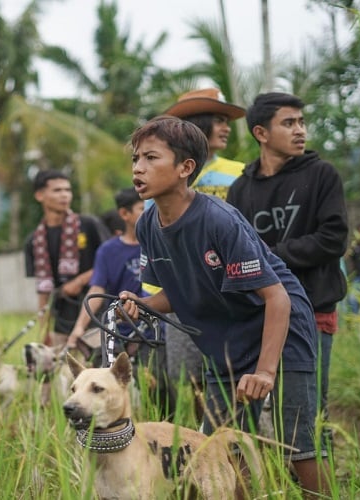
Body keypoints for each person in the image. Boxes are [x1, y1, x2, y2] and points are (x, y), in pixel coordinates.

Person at [121, 115, 330, 496]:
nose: (138, 168)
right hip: (227, 339)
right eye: (136, 159)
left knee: (295, 441)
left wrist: (265, 372)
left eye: (151, 158)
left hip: (279, 328)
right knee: (220, 446)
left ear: (186, 168)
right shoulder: (149, 225)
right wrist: (142, 303)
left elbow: (276, 297)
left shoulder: (218, 221)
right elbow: (179, 292)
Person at [226, 92, 348, 454]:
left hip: (312, 309)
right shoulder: (241, 189)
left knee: (307, 411)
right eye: (289, 123)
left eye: (301, 122)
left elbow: (333, 239)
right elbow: (232, 249)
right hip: (257, 315)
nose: (300, 131)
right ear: (261, 133)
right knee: (247, 409)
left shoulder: (322, 175)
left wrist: (267, 258)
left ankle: (319, 484)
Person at [156, 87, 248, 405]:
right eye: (218, 120)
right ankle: (203, 444)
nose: (226, 128)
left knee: (234, 375)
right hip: (182, 296)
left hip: (231, 293)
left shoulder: (239, 174)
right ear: (196, 125)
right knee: (192, 379)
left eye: (227, 121)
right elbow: (154, 243)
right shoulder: (162, 176)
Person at [66, 187, 176, 420]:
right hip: (116, 327)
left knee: (157, 383)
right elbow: (97, 289)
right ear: (124, 214)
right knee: (99, 379)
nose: (149, 212)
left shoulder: (162, 242)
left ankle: (166, 427)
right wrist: (78, 328)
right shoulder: (108, 251)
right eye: (141, 208)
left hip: (152, 327)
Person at [24, 169, 110, 350]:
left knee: (96, 367)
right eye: (57, 190)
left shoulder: (89, 225)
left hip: (96, 313)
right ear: (40, 195)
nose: (65, 195)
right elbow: (43, 290)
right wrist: (43, 330)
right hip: (62, 317)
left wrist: (79, 281)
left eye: (67, 190)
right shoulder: (34, 240)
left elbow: (112, 262)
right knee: (63, 371)